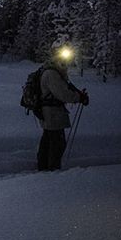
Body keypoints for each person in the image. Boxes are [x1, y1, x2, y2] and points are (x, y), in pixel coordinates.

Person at [37, 43, 90, 171]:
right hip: (53, 115)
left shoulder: (51, 71)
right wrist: (79, 98)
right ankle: (52, 171)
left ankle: (44, 168)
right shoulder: (52, 74)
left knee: (48, 140)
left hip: (50, 114)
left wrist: (77, 95)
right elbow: (63, 94)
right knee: (56, 143)